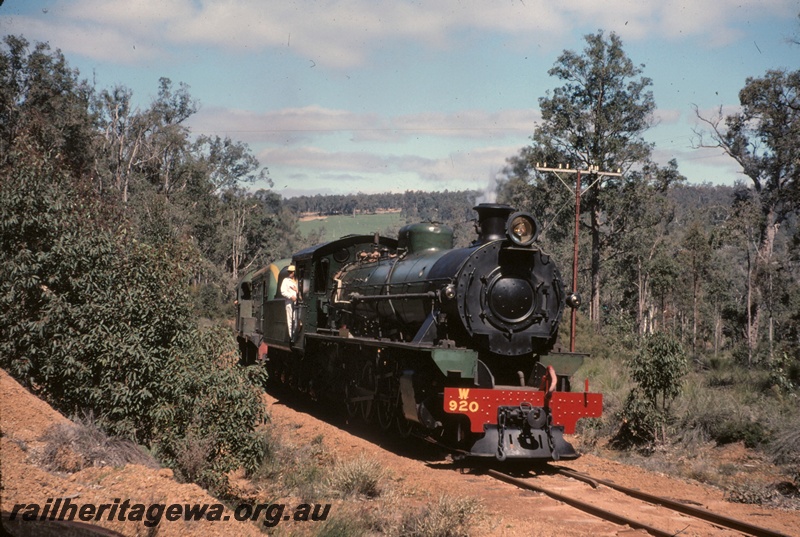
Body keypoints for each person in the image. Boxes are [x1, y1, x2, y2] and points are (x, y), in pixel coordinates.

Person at [280, 265, 299, 341]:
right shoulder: (286, 280)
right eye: (289, 272)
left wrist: (297, 291)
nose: (290, 273)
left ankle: (296, 334)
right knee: (290, 319)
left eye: (291, 272)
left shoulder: (298, 280)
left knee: (296, 318)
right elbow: (283, 291)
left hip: (298, 302)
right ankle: (292, 336)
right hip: (289, 302)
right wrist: (291, 296)